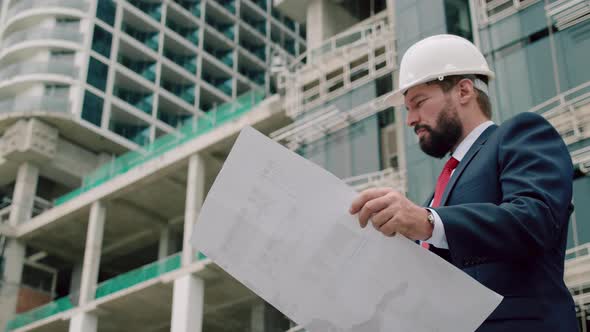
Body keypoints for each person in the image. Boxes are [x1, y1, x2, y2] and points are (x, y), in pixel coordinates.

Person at [349, 34, 577, 331]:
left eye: (418, 103)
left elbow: (535, 220)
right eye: (407, 109)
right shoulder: (438, 193)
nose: (410, 119)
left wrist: (427, 221)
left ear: (464, 91)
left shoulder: (520, 134)